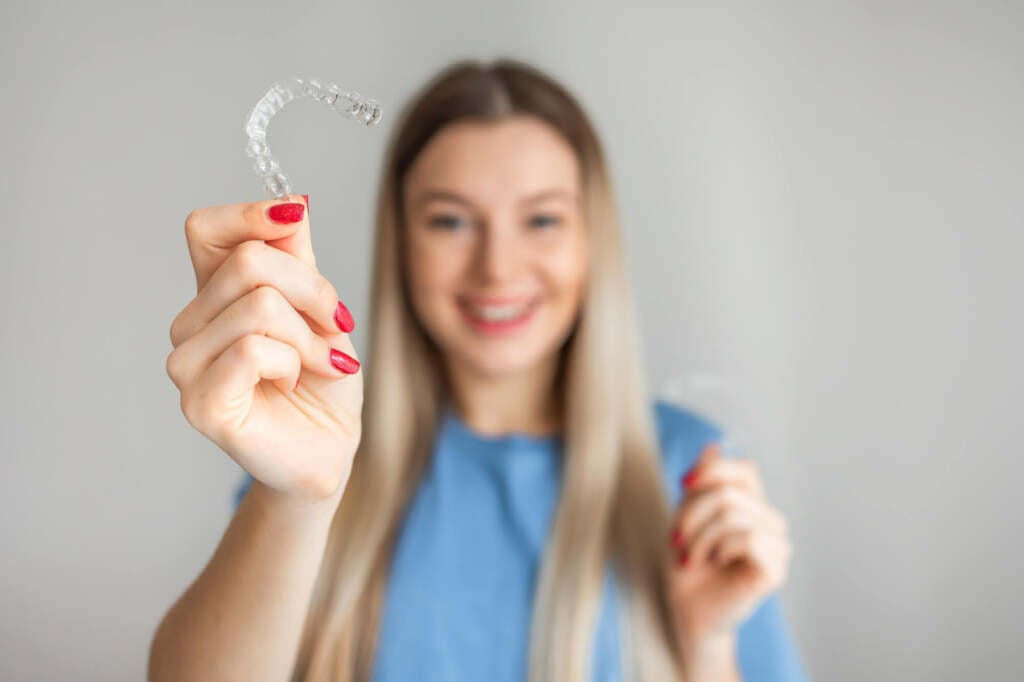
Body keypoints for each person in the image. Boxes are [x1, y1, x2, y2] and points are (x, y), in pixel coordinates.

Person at [152, 58, 809, 682]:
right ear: (402, 241)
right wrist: (299, 498)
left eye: (543, 219)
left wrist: (705, 642)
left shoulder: (689, 471)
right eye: (452, 221)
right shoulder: (319, 455)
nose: (497, 267)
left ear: (592, 239)